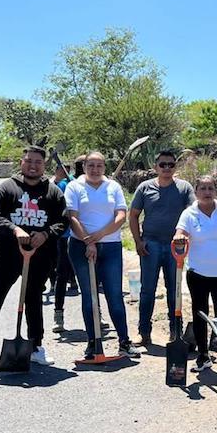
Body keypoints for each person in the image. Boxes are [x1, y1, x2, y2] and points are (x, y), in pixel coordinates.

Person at [0, 146, 66, 372]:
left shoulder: (53, 192)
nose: (33, 165)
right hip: (7, 256)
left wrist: (46, 233)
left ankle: (36, 347)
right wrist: (15, 230)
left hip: (39, 258)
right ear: (22, 163)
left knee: (34, 301)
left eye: (38, 162)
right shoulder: (7, 188)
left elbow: (62, 222)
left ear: (44, 165)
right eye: (29, 161)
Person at [64, 152, 140, 359]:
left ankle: (124, 342)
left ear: (104, 167)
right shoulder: (74, 187)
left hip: (111, 247)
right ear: (85, 167)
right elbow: (73, 218)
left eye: (99, 165)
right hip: (81, 247)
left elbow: (121, 216)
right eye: (91, 165)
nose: (95, 169)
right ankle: (93, 343)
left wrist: (97, 238)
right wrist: (88, 241)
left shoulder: (113, 187)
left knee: (115, 295)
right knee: (89, 297)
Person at [176, 176, 217, 372]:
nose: (207, 192)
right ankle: (203, 356)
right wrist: (179, 237)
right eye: (202, 188)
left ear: (216, 191)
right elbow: (181, 233)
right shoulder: (189, 213)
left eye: (210, 188)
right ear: (196, 192)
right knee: (200, 314)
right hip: (198, 273)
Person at [128, 150, 195, 346]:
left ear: (175, 167)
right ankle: (144, 332)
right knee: (147, 290)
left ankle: (176, 333)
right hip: (150, 244)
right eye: (163, 164)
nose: (167, 168)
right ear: (155, 167)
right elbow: (133, 215)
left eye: (171, 165)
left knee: (174, 290)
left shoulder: (184, 188)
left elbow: (193, 212)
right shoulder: (144, 188)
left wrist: (186, 236)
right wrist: (138, 241)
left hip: (176, 247)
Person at [51, 162, 79, 333]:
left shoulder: (81, 183)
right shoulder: (60, 183)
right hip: (64, 236)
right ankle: (58, 314)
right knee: (62, 275)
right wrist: (58, 178)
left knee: (91, 277)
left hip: (84, 236)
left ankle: (97, 314)